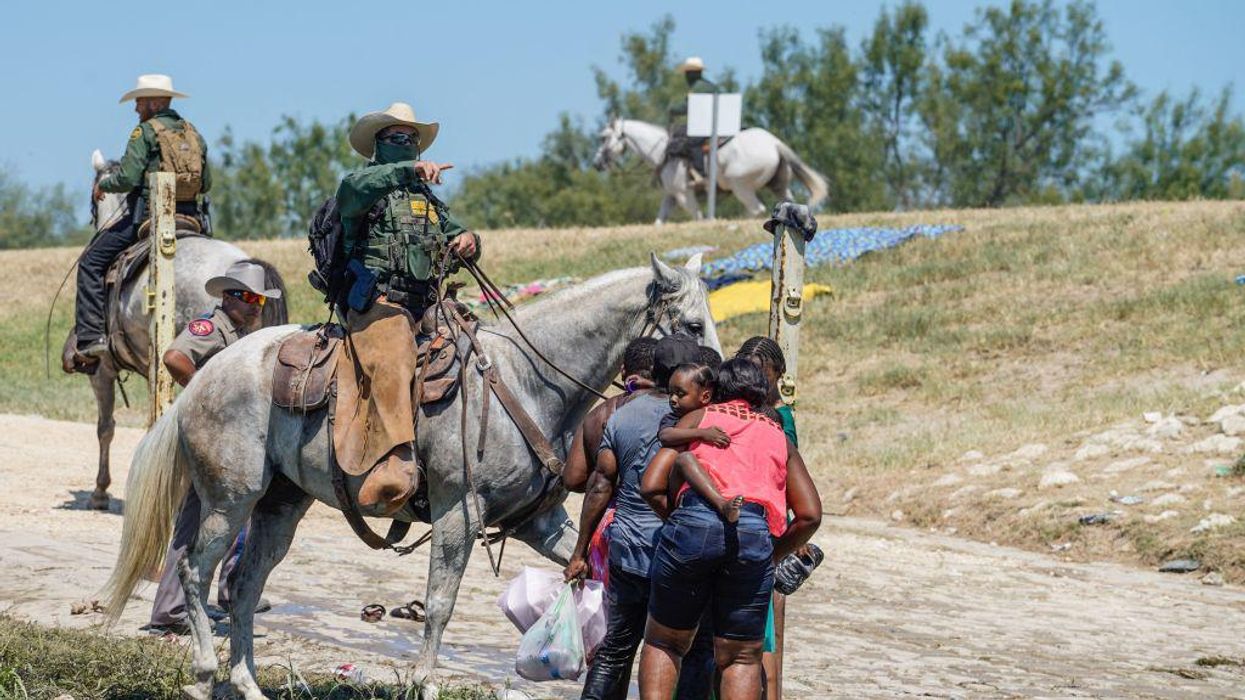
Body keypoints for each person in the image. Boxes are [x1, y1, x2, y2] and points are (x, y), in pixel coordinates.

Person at [637, 359, 822, 700]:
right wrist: (772, 555)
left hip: (691, 524)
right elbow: (810, 515)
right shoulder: (777, 434)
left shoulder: (699, 419)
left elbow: (650, 484)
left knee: (665, 640)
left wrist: (678, 522)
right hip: (752, 535)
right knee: (741, 656)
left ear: (717, 390)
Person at [332, 102, 480, 515]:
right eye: (396, 138)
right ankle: (394, 460)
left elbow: (455, 231)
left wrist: (468, 240)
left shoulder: (427, 200)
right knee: (396, 351)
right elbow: (354, 190)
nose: (406, 144)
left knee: (476, 344)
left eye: (410, 139)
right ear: (378, 145)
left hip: (427, 304)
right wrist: (407, 170)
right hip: (377, 305)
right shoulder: (359, 186)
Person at [146, 261, 281, 635]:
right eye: (249, 298)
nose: (256, 306)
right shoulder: (210, 327)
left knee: (240, 518)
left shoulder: (239, 335)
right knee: (192, 524)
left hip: (228, 446)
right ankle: (171, 611)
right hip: (207, 442)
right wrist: (203, 396)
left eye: (260, 299)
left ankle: (231, 591)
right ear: (228, 297)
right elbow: (175, 357)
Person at [565, 335, 700, 700]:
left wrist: (579, 552)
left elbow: (598, 486)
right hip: (674, 552)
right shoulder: (695, 419)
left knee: (614, 650)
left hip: (625, 548)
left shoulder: (621, 414)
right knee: (674, 649)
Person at [72, 75, 211, 372]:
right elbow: (207, 183)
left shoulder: (144, 132)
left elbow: (128, 178)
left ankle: (91, 338)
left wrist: (105, 184)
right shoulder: (193, 133)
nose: (136, 108)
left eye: (139, 101)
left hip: (150, 216)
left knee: (90, 262)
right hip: (191, 217)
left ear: (155, 102)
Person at [736, 336, 797, 699]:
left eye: (765, 374)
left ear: (778, 374)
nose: (758, 381)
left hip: (769, 527)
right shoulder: (737, 411)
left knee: (764, 634)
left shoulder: (780, 418)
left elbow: (788, 476)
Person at [657, 364, 743, 523]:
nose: (673, 399)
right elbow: (666, 435)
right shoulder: (672, 419)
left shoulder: (716, 413)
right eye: (671, 393)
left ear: (705, 397)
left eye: (680, 394)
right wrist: (702, 433)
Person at [665, 57, 715, 180]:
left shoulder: (698, 88)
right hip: (713, 122)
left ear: (692, 74)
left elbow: (688, 107)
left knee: (692, 141)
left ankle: (700, 174)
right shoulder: (709, 85)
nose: (686, 76)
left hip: (705, 125)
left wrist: (673, 110)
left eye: (687, 73)